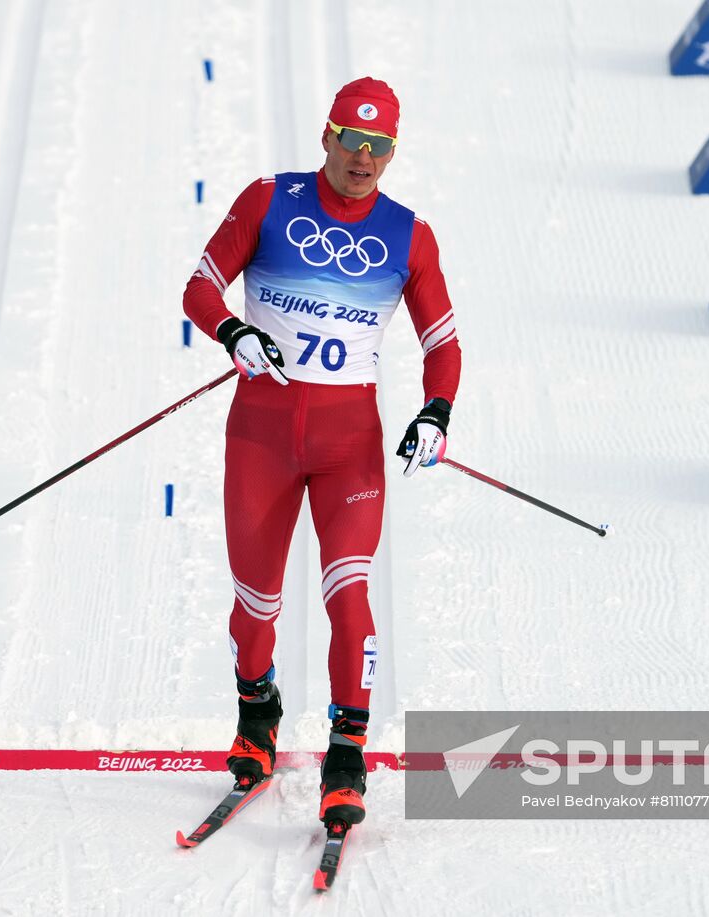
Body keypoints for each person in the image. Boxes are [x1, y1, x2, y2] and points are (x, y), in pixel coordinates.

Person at [182, 77, 461, 828]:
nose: (364, 158)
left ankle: (347, 755)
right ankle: (257, 711)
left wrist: (436, 411)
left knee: (352, 598)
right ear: (328, 136)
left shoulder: (409, 234)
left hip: (348, 449)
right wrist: (234, 333)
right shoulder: (269, 200)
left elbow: (443, 343)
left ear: (392, 152)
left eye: (380, 146)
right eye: (353, 140)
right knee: (256, 606)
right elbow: (201, 288)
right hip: (262, 439)